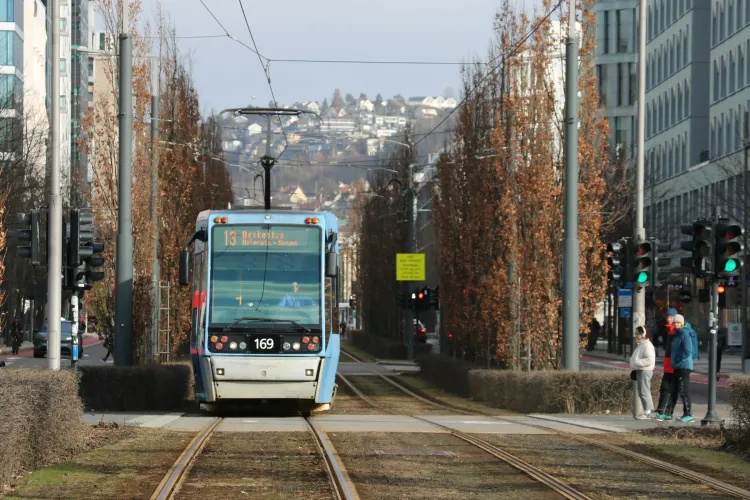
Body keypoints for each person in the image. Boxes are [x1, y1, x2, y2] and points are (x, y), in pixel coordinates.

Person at [659, 314, 696, 423]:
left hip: (684, 366)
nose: (676, 324)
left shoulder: (684, 333)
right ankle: (668, 413)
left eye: (678, 322)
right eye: (674, 322)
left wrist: (679, 359)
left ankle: (688, 414)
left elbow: (687, 350)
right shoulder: (676, 334)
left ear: (682, 323)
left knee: (683, 390)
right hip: (677, 365)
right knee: (673, 389)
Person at [655, 308, 677, 416]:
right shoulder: (667, 330)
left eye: (671, 317)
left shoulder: (676, 331)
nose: (669, 319)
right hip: (668, 362)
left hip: (674, 363)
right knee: (665, 387)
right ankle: (661, 410)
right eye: (668, 317)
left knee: (672, 388)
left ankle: (667, 411)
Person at [630, 326, 656, 419]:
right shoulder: (641, 344)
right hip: (641, 370)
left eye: (639, 333)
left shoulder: (647, 345)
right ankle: (646, 410)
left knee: (645, 391)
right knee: (641, 392)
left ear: (644, 334)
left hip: (645, 370)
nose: (637, 335)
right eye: (636, 333)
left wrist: (637, 363)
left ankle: (648, 411)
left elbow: (650, 360)